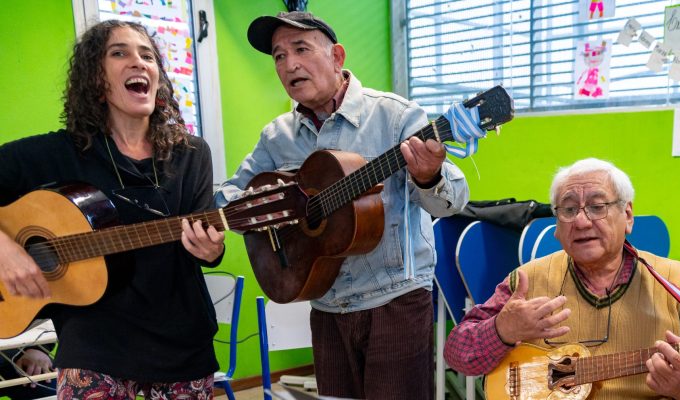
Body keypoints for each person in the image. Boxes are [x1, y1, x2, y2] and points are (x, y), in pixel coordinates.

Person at [215, 11, 469, 400]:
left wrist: (428, 176)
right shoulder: (276, 137)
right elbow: (230, 195)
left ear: (337, 56)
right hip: (325, 304)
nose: (289, 64)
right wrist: (255, 214)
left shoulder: (396, 115)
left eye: (300, 49)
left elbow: (453, 201)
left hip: (395, 302)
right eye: (278, 56)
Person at [0, 20, 225, 398]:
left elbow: (207, 243)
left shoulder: (192, 154)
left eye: (147, 55)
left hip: (181, 343)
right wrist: (5, 249)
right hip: (94, 346)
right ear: (96, 81)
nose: (138, 62)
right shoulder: (59, 152)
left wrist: (212, 250)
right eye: (119, 53)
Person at [444, 158, 680, 399]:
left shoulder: (679, 283)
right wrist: (501, 330)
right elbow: (457, 354)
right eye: (568, 210)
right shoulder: (526, 280)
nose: (581, 222)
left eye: (597, 206)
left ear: (628, 216)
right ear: (556, 226)